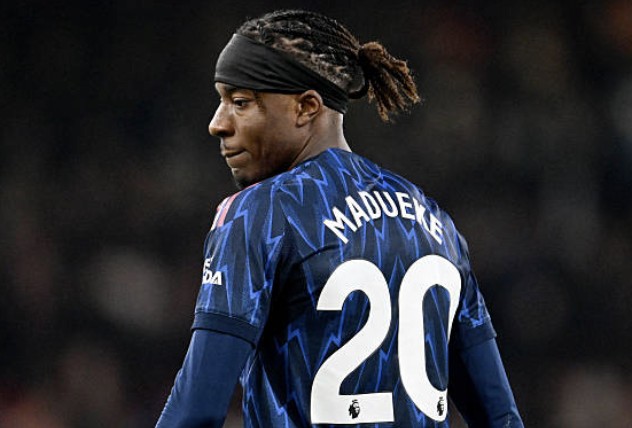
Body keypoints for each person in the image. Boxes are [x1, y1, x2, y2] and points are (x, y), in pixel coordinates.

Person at [157, 9, 524, 428]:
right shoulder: (434, 221)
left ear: (306, 107)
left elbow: (197, 410)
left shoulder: (262, 213)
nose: (217, 124)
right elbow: (501, 417)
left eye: (240, 102)